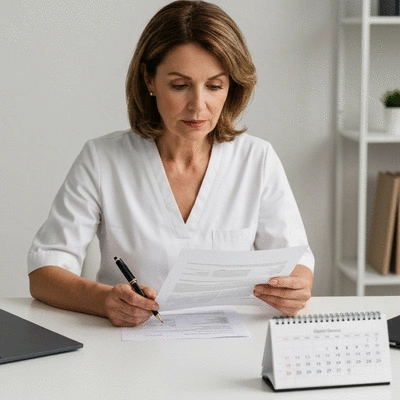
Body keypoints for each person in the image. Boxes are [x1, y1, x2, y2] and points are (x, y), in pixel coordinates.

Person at [28, 0, 314, 327]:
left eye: (215, 86)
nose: (198, 105)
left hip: (231, 351)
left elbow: (297, 260)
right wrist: (104, 301)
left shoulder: (257, 160)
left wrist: (297, 286)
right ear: (149, 80)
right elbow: (44, 272)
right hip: (124, 352)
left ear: (232, 85)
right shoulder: (103, 159)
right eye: (179, 85)